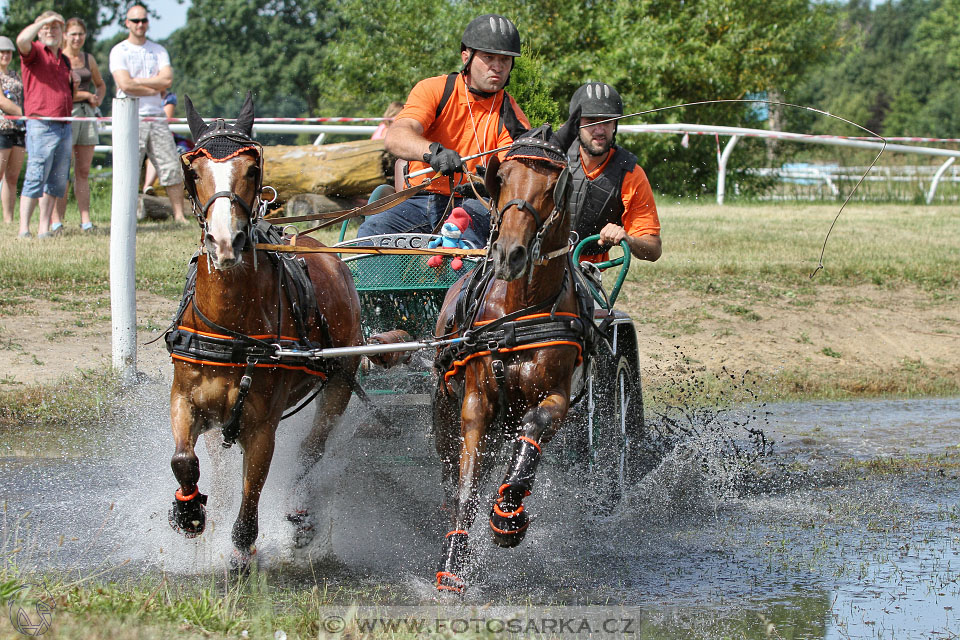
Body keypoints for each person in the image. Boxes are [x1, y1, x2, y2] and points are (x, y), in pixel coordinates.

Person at [356, 14, 530, 248]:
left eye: (505, 60)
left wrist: (489, 183)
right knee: (372, 231)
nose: (497, 67)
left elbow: (521, 175)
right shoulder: (434, 90)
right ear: (466, 57)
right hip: (420, 200)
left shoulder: (513, 117)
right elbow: (396, 136)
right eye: (488, 58)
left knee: (461, 247)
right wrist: (432, 152)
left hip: (476, 207)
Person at [565, 82, 661, 264]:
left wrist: (628, 238)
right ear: (576, 123)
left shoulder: (631, 175)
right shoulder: (553, 160)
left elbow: (654, 249)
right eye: (591, 122)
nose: (600, 130)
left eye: (606, 122)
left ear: (615, 124)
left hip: (587, 272)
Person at [109, 4, 186, 223]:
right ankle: (126, 215)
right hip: (129, 116)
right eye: (135, 21)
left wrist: (136, 83)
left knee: (171, 165)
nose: (140, 24)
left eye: (143, 20)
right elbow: (124, 84)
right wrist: (154, 86)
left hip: (157, 116)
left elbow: (168, 80)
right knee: (128, 168)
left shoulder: (158, 50)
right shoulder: (119, 50)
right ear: (127, 23)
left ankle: (179, 215)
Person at [16, 11, 74, 239]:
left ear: (62, 33)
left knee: (57, 180)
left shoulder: (64, 57)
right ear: (39, 31)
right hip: (41, 124)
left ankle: (43, 229)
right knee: (35, 175)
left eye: (55, 28)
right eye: (46, 28)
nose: (51, 31)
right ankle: (23, 229)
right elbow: (21, 40)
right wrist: (42, 21)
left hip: (64, 124)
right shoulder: (35, 51)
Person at [55, 17, 104, 232]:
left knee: (83, 171)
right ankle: (57, 220)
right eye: (73, 34)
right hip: (66, 115)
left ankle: (86, 221)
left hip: (87, 116)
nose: (77, 38)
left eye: (80, 34)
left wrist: (97, 99)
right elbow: (58, 93)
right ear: (65, 35)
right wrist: (84, 94)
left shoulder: (88, 58)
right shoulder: (58, 57)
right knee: (62, 170)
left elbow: (100, 84)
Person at [0, 36, 26, 226]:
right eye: (1, 52)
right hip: (2, 129)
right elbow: (2, 102)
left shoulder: (16, 75)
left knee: (12, 177)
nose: (5, 55)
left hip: (18, 129)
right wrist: (26, 114)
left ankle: (8, 219)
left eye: (8, 51)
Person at [142, 90, 176, 194]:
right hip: (143, 133)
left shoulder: (169, 97)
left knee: (157, 155)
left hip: (160, 134)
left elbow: (166, 119)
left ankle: (147, 186)